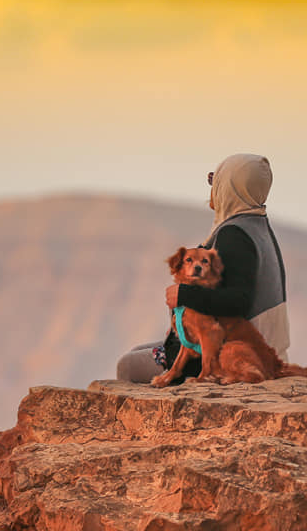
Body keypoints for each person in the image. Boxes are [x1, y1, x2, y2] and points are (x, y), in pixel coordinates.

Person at [115, 153, 290, 383]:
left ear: (230, 187)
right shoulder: (257, 225)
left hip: (237, 353)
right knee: (140, 350)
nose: (211, 188)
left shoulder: (235, 234)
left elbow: (238, 301)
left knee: (127, 367)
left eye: (214, 180)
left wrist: (184, 295)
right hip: (256, 347)